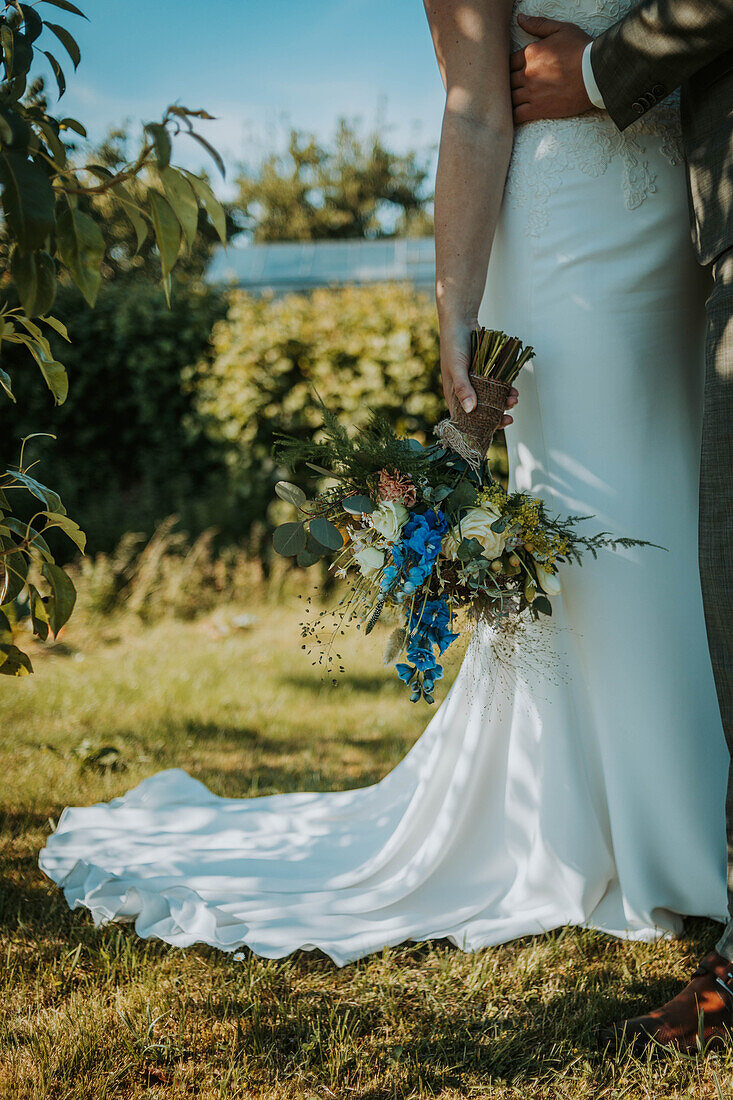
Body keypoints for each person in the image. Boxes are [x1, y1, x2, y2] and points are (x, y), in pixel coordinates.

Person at [39, 0, 730, 1030]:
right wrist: (454, 313)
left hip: (693, 214)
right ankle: (643, 833)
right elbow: (472, 111)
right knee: (614, 540)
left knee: (699, 522)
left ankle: (703, 828)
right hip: (570, 238)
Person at [507, 0, 733, 1051]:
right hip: (613, 220)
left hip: (668, 216)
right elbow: (472, 104)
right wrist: (455, 309)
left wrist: (600, 71)